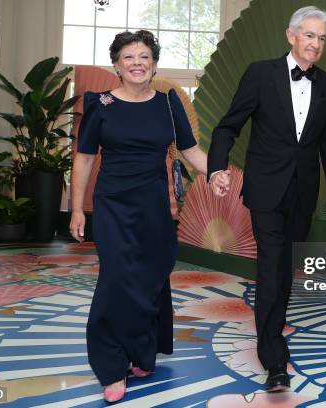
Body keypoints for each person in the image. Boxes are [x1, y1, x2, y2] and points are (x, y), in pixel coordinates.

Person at [207, 6, 326, 392]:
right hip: (266, 190)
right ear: (291, 35)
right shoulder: (260, 73)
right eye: (309, 36)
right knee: (271, 269)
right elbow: (228, 126)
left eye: (321, 38)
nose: (315, 44)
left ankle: (272, 333)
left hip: (303, 193)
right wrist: (217, 167)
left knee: (285, 271)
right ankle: (274, 359)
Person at [70, 30, 208, 403]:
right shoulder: (99, 104)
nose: (137, 63)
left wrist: (221, 172)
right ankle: (111, 366)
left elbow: (191, 151)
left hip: (155, 205)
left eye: (144, 56)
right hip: (113, 204)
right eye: (129, 57)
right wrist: (77, 207)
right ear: (117, 64)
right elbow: (83, 158)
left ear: (154, 64)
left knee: (151, 278)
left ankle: (143, 351)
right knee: (117, 281)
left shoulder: (168, 103)